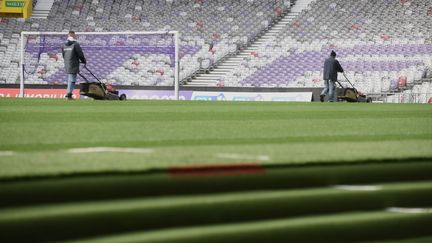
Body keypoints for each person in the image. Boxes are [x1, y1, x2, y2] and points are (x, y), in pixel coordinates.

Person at [62, 31, 86, 100]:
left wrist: (67, 61)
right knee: (72, 79)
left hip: (67, 63)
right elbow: (80, 54)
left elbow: (63, 55)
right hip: (74, 63)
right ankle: (69, 94)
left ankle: (69, 93)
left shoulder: (64, 45)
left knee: (70, 78)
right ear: (73, 36)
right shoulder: (75, 44)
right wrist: (83, 61)